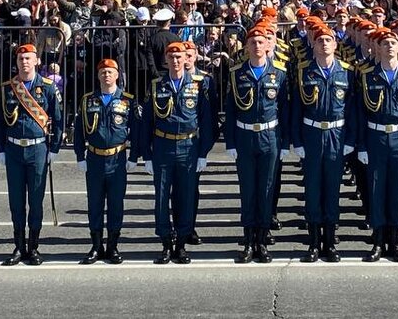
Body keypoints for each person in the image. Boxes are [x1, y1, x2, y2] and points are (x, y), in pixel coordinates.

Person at [140, 40, 214, 264]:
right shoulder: (156, 85)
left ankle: (181, 243)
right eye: (171, 57)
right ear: (166, 60)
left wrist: (203, 153)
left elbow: (207, 121)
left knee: (186, 196)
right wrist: (147, 155)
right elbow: (146, 123)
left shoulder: (199, 85)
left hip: (188, 147)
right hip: (163, 146)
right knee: (162, 197)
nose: (175, 61)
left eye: (179, 57)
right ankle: (165, 243)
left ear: (186, 59)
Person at [224, 23, 289, 263]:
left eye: (261, 42)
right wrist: (230, 142)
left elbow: (285, 110)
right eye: (253, 42)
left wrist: (284, 143)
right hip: (244, 136)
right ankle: (249, 240)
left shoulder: (279, 74)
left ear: (268, 45)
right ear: (247, 46)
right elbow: (230, 111)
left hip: (270, 136)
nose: (257, 46)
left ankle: (262, 240)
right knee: (248, 189)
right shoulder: (236, 73)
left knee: (266, 188)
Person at [355, 26, 398, 263]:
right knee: (376, 188)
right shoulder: (367, 75)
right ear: (378, 49)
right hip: (376, 137)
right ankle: (378, 240)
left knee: (397, 191)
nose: (389, 47)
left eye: (393, 43)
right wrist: (361, 145)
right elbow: (359, 113)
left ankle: (396, 241)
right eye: (385, 44)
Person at [291, 23, 352, 262]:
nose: (324, 44)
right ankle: (314, 242)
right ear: (314, 45)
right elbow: (296, 109)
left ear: (335, 45)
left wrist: (351, 140)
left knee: (332, 189)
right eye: (320, 41)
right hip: (313, 135)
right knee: (313, 189)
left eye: (328, 40)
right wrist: (297, 140)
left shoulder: (346, 71)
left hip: (336, 136)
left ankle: (330, 240)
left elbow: (352, 109)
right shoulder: (304, 71)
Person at [0, 42, 62, 266]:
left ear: (37, 61)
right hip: (14, 149)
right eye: (20, 59)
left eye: (28, 58)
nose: (24, 62)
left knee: (35, 200)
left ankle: (33, 247)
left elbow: (59, 119)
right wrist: (1, 149)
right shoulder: (8, 87)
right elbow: (0, 122)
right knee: (16, 201)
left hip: (37, 149)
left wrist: (53, 149)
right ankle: (18, 246)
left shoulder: (47, 88)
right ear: (16, 62)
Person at [72, 58, 136, 264]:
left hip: (117, 159)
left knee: (116, 204)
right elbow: (80, 131)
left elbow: (137, 130)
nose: (106, 75)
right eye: (102, 72)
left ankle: (113, 246)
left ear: (117, 75)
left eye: (110, 72)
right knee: (95, 204)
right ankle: (96, 246)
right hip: (95, 159)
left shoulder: (127, 100)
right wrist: (79, 156)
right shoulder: (88, 100)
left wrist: (134, 157)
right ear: (98, 76)